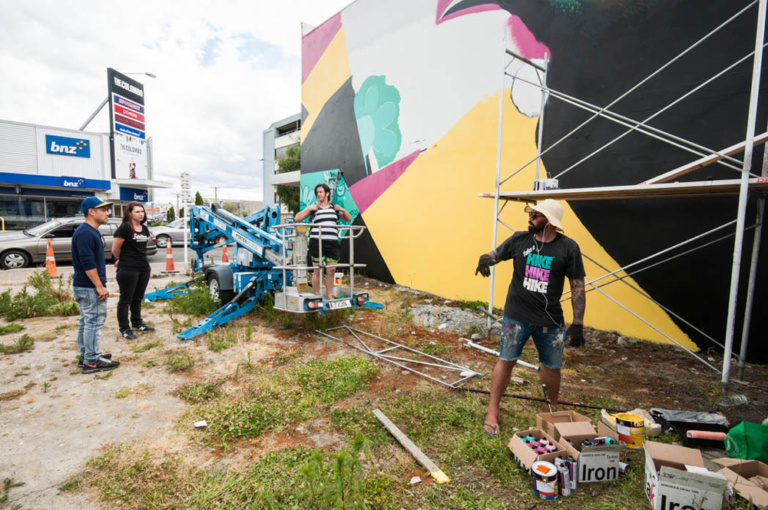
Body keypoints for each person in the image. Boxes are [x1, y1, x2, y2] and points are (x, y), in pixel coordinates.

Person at [475, 199, 586, 437]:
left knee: (552, 366)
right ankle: (492, 411)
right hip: (516, 316)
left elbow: (577, 285)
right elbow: (495, 254)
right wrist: (485, 258)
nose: (530, 217)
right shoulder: (519, 240)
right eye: (531, 213)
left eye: (536, 215)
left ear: (550, 221)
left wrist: (578, 324)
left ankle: (551, 410)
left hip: (550, 320)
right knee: (506, 360)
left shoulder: (568, 248)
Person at [72, 197, 120, 374]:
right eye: (103, 210)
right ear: (91, 212)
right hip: (89, 286)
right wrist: (99, 286)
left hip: (84, 286)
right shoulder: (86, 233)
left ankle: (87, 354)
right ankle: (92, 361)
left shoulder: (88, 231)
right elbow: (87, 263)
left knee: (86, 321)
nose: (107, 213)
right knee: (93, 322)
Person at [294, 183, 352, 299]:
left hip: (332, 242)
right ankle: (316, 295)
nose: (318, 194)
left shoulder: (334, 209)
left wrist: (341, 209)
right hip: (317, 242)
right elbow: (297, 218)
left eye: (320, 192)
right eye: (317, 193)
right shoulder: (314, 208)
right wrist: (309, 208)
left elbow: (348, 219)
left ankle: (329, 295)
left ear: (327, 193)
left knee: (331, 270)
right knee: (318, 270)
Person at [112, 201, 155, 340]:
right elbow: (115, 249)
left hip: (143, 267)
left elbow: (141, 249)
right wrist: (123, 260)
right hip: (128, 269)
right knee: (125, 300)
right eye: (137, 212)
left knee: (138, 298)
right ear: (129, 213)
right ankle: (125, 328)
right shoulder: (124, 229)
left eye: (142, 211)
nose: (141, 214)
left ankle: (137, 323)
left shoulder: (144, 229)